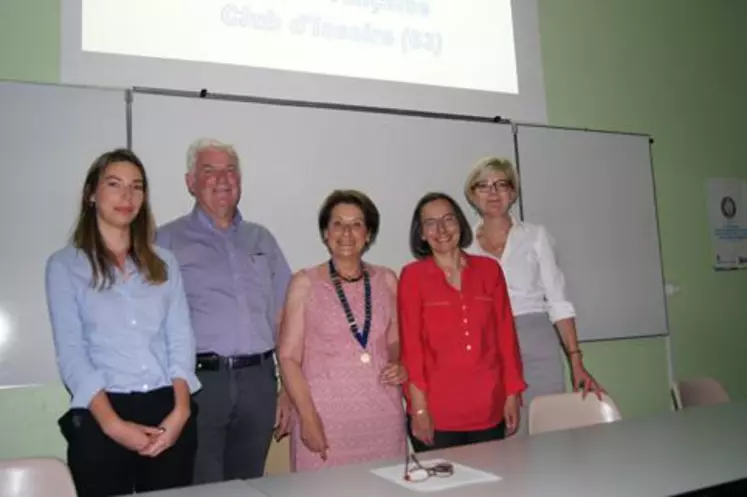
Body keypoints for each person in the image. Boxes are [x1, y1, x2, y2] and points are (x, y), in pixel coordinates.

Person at [44, 149, 201, 497]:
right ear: (91, 193)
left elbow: (180, 338)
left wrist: (181, 412)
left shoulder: (165, 262)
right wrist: (114, 426)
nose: (127, 196)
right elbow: (72, 354)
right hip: (103, 411)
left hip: (168, 408)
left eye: (136, 187)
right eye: (114, 184)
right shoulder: (65, 266)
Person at [156, 138, 293, 482]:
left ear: (240, 182)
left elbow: (286, 318)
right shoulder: (164, 242)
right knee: (203, 484)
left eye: (230, 170)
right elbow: (150, 324)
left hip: (260, 380)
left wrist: (288, 389)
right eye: (210, 170)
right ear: (190, 182)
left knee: (248, 482)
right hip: (200, 383)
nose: (222, 178)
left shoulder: (261, 239)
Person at [464, 156, 605, 435]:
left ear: (513, 193)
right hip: (488, 346)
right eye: (484, 185)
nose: (493, 193)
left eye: (501, 184)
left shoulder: (535, 236)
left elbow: (558, 301)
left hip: (535, 339)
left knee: (546, 430)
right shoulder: (463, 247)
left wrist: (576, 361)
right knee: (501, 434)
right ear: (472, 195)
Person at [278, 190, 407, 472]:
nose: (346, 232)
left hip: (382, 417)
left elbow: (395, 339)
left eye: (356, 224)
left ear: (369, 234)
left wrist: (398, 361)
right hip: (325, 418)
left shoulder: (386, 280)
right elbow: (288, 357)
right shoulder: (304, 283)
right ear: (326, 233)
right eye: (338, 223)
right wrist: (307, 416)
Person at [398, 192, 526, 452]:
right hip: (437, 414)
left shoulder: (490, 271)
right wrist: (419, 408)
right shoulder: (412, 276)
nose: (442, 229)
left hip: (489, 407)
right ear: (421, 233)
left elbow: (506, 338)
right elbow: (412, 349)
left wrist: (512, 394)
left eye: (448, 219)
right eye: (430, 223)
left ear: (460, 224)